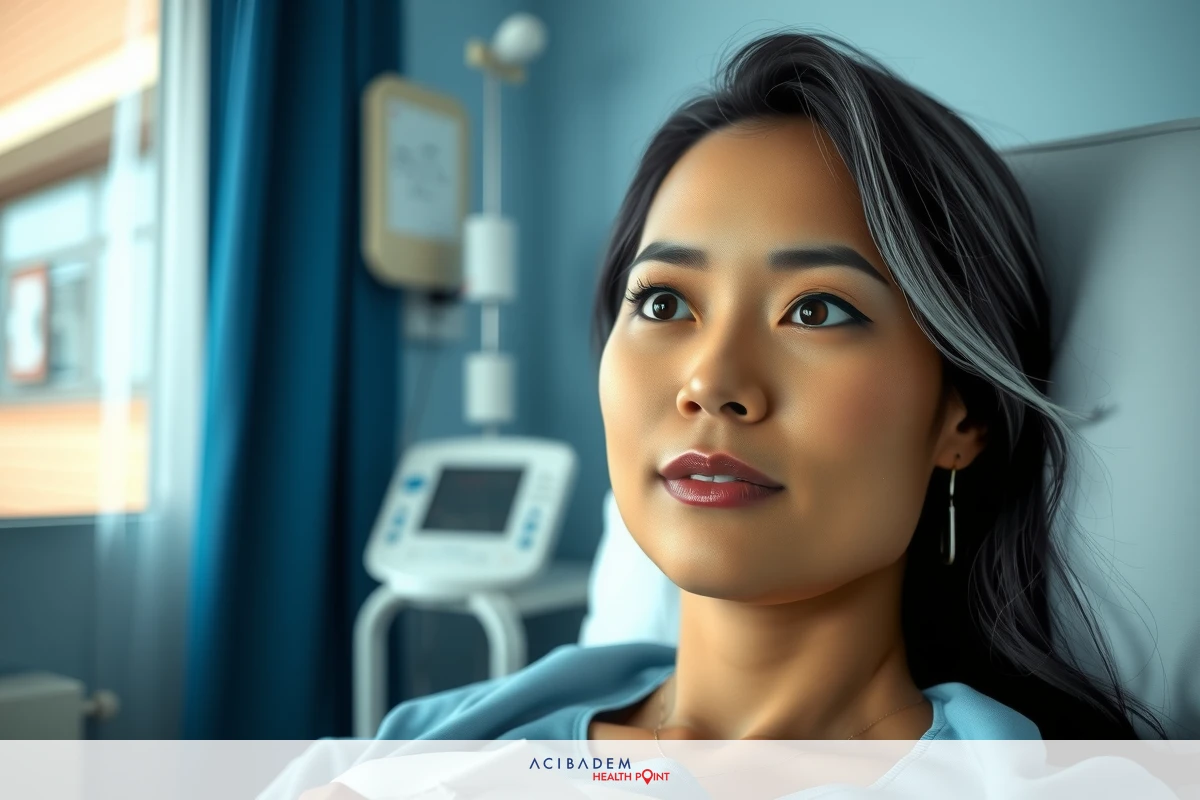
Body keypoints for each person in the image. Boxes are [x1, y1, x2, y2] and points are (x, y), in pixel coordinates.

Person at [369, 29, 1167, 745]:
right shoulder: (426, 745)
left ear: (962, 418)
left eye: (815, 311)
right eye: (664, 301)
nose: (711, 383)